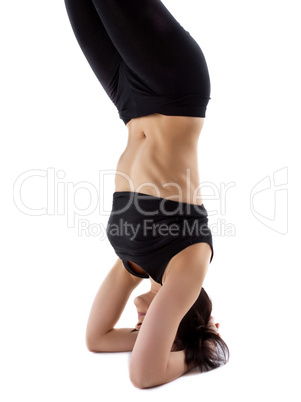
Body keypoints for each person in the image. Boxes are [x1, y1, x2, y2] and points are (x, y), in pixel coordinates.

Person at [64, 0, 230, 388]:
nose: (139, 327)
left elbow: (97, 339)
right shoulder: (188, 266)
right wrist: (200, 350)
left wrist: (152, 340)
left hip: (130, 101)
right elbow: (144, 375)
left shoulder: (136, 265)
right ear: (181, 316)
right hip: (174, 88)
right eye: (151, 329)